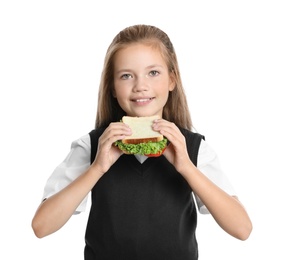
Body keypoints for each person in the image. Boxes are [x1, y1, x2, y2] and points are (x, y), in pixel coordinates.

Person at [31, 24, 252, 259]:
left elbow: (242, 229)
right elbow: (41, 226)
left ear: (172, 80)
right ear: (113, 88)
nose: (140, 86)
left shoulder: (194, 148)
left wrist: (186, 167)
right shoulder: (93, 146)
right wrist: (97, 168)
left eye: (153, 73)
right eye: (126, 76)